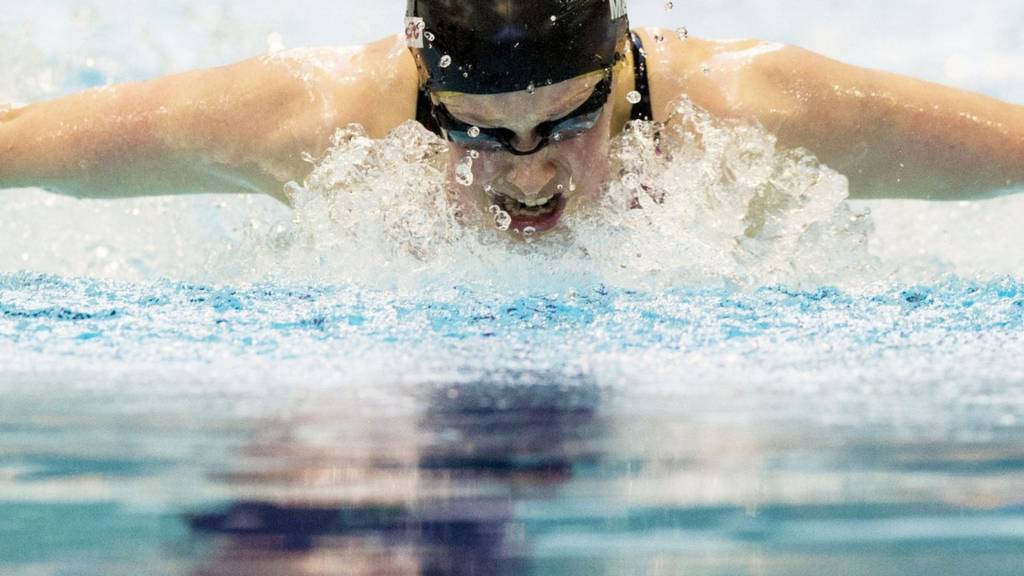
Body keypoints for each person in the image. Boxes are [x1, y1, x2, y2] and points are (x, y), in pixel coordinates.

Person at [1, 0, 1021, 235]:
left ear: (620, 65)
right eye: (477, 132)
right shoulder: (304, 121)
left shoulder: (760, 112)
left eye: (566, 123)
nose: (527, 176)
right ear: (419, 87)